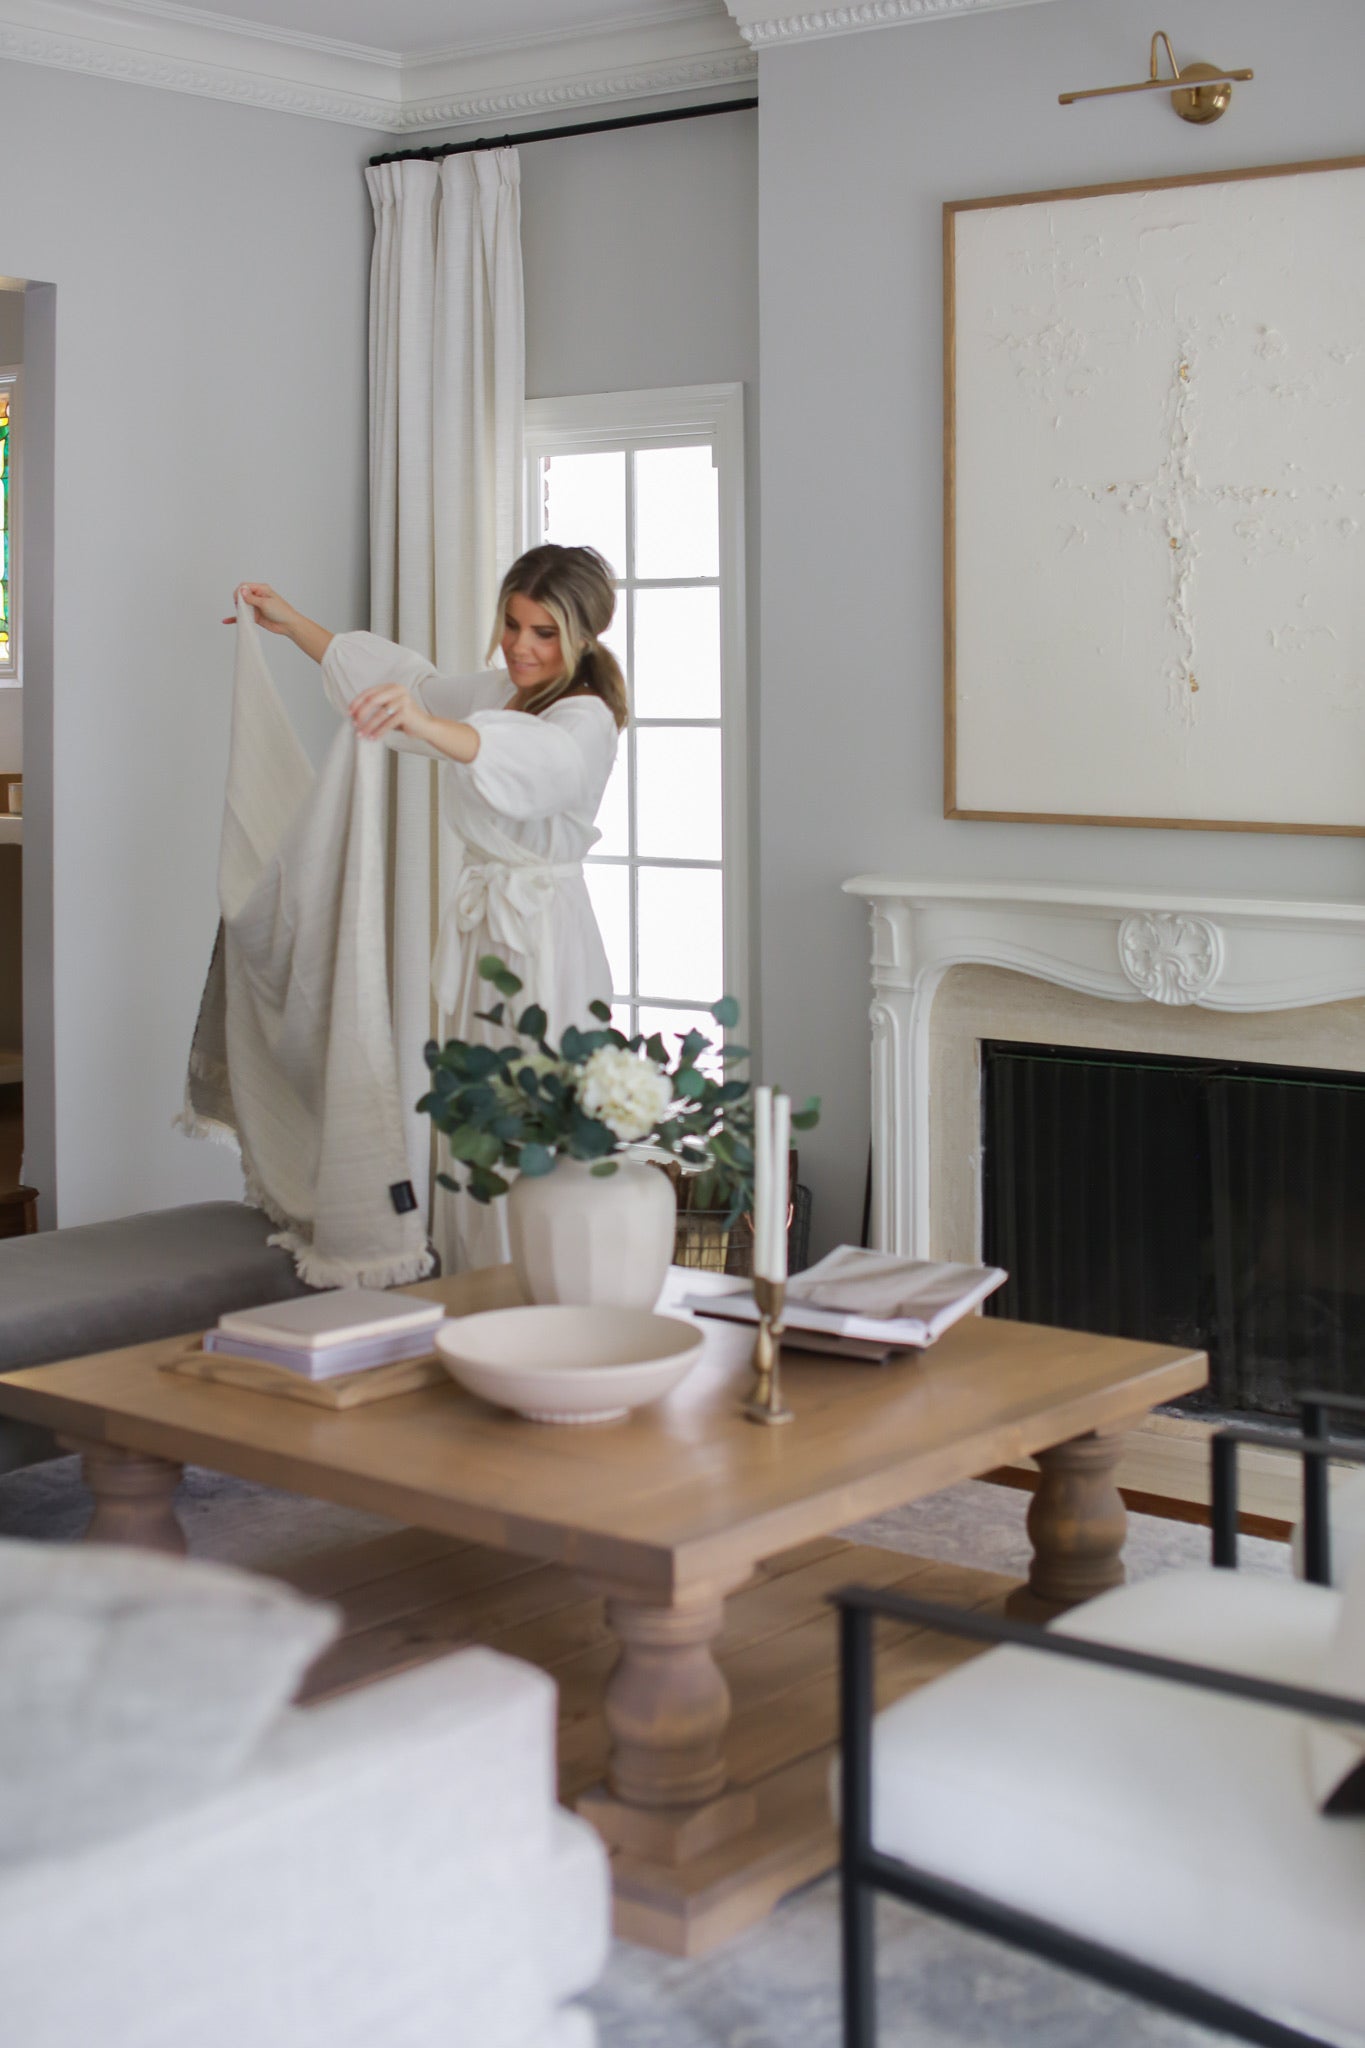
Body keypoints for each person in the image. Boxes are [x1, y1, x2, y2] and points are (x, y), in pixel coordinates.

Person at [226, 545, 627, 1268]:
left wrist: (426, 726)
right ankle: (477, 1278)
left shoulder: (585, 718)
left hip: (542, 934)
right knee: (474, 1110)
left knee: (533, 1109)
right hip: (482, 932)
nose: (520, 646)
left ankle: (540, 1284)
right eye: (512, 624)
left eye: (543, 634)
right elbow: (412, 685)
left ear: (583, 637)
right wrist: (294, 626)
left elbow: (529, 763)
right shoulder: (499, 691)